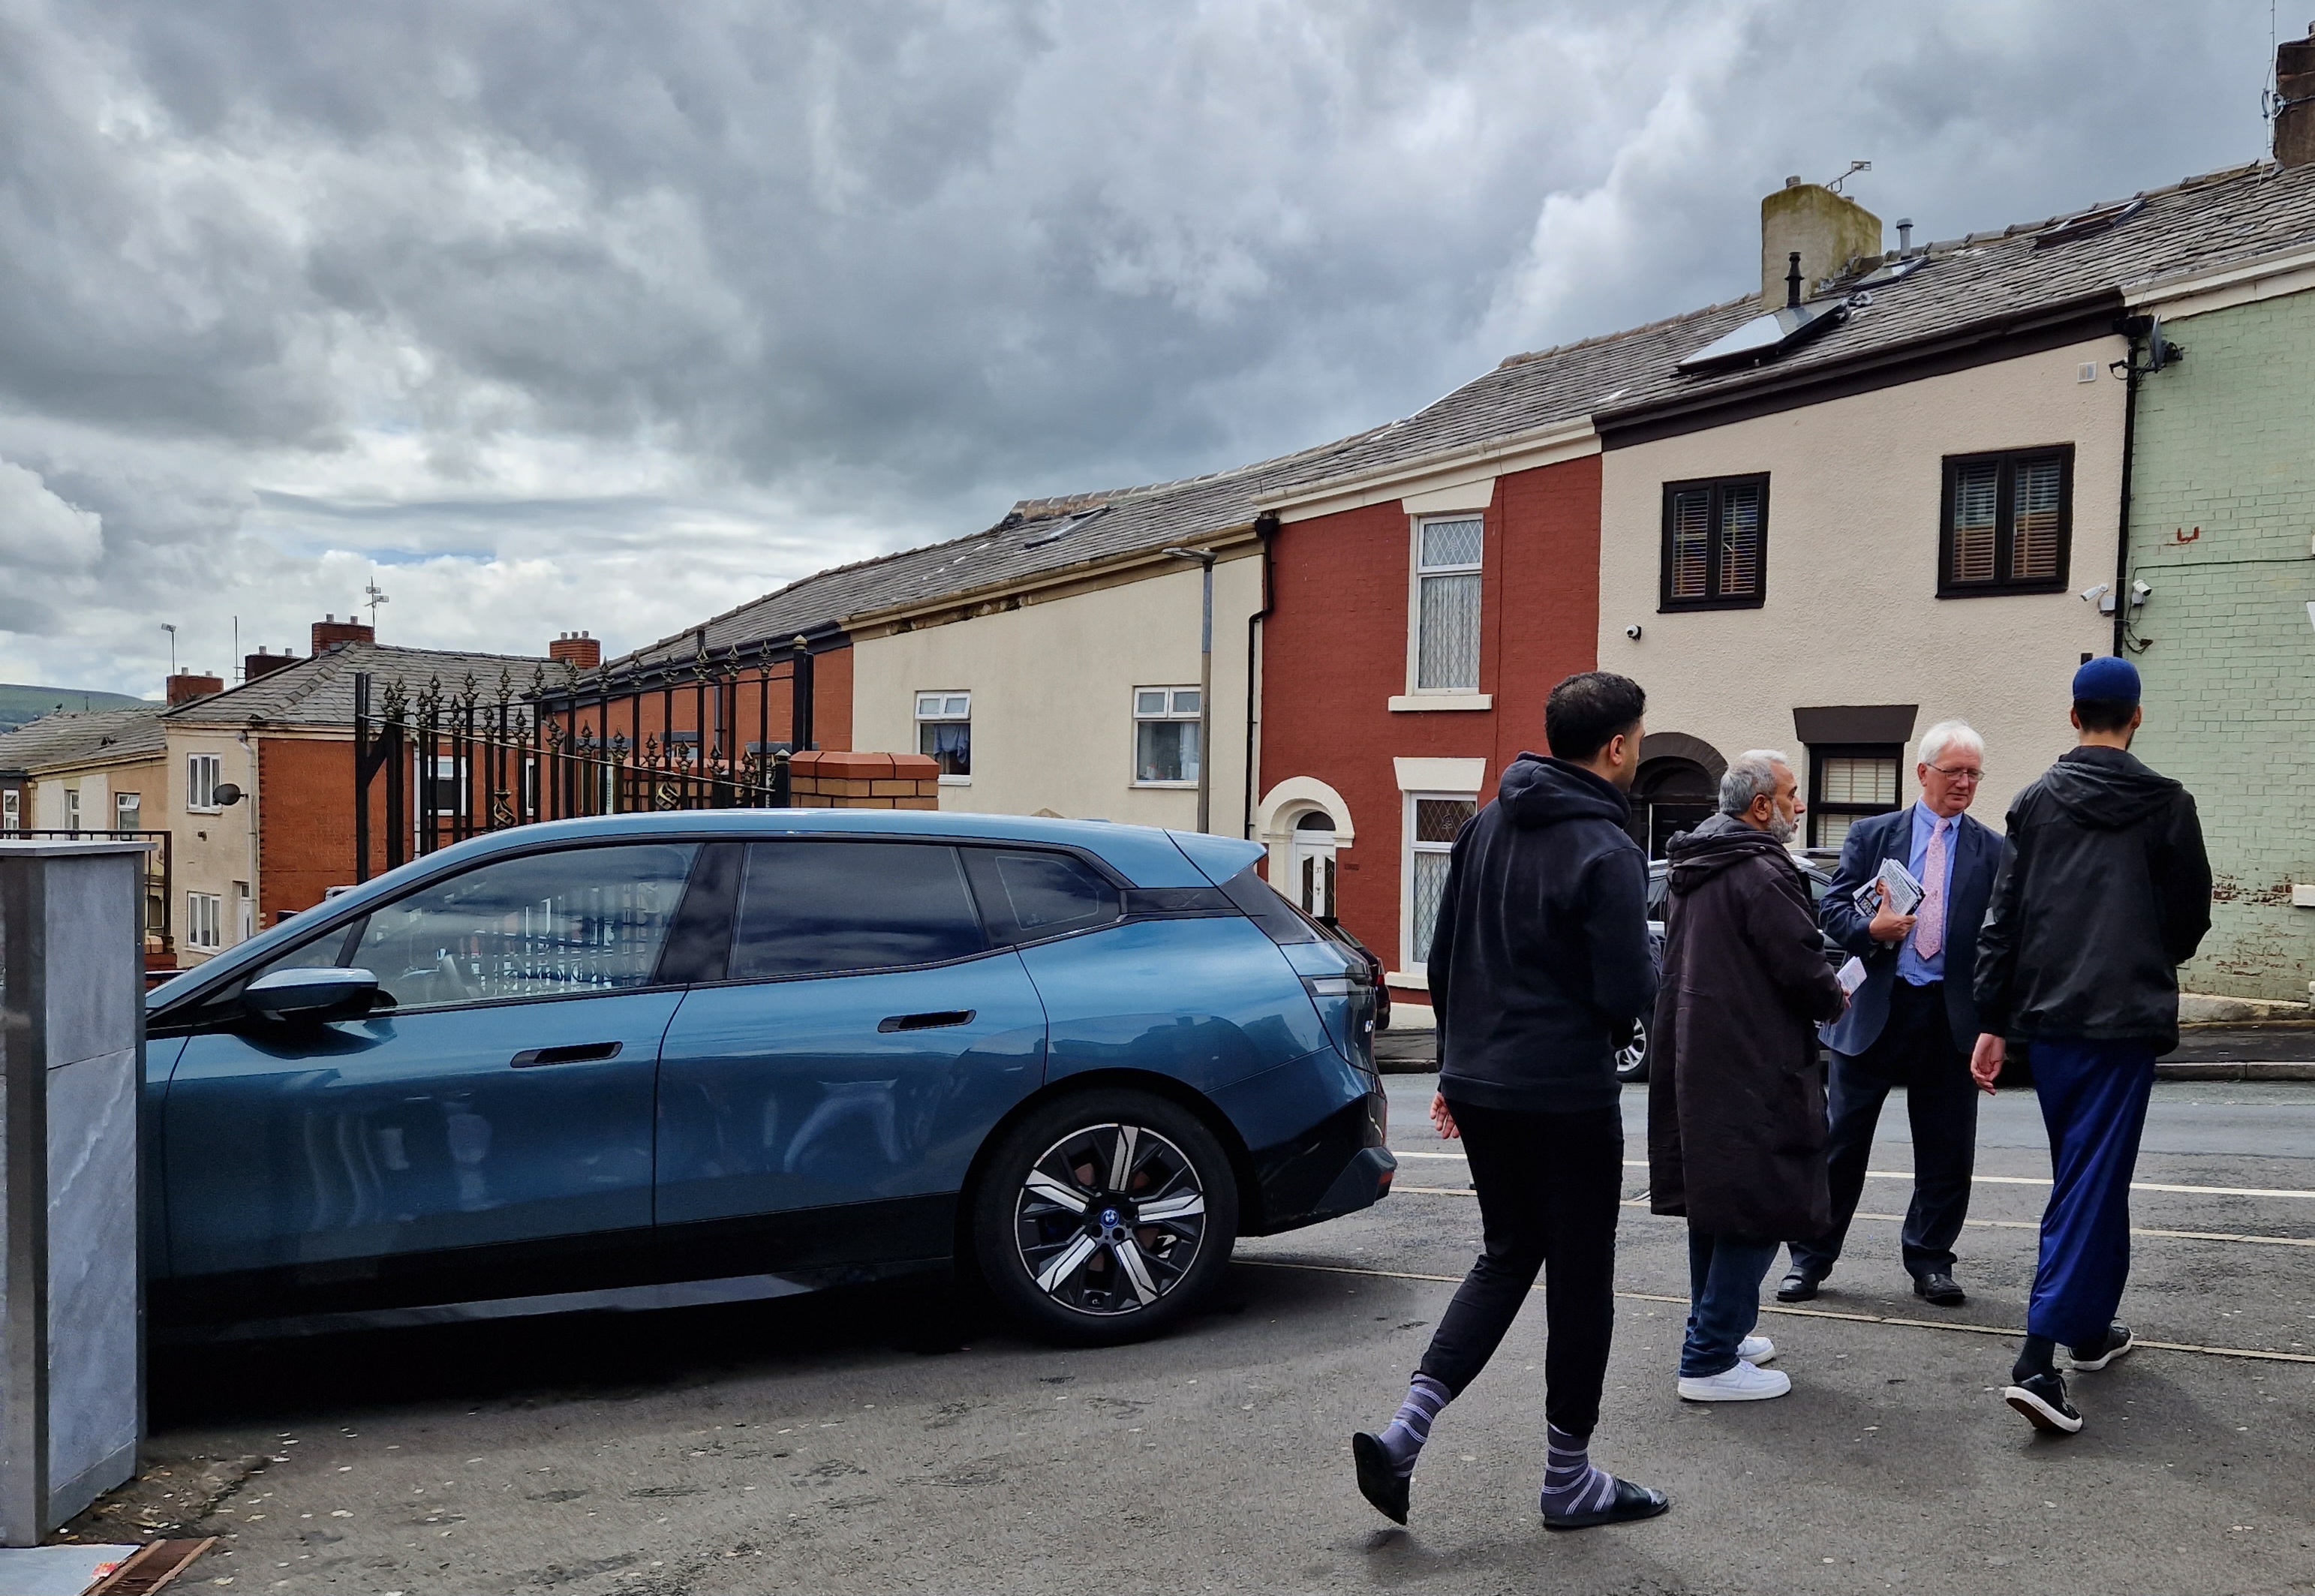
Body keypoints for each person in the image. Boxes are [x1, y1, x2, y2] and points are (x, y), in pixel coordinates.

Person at [1351, 672, 1667, 1532]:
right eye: (1638, 738)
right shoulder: (1606, 848)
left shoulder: (1487, 822)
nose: (1639, 750)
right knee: (1577, 1282)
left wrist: (1458, 1068)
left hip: (1485, 1083)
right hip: (1563, 1092)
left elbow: (1444, 955)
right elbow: (1622, 989)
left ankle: (1404, 1434)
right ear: (1615, 747)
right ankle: (1569, 1481)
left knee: (1505, 1255)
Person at [1974, 657, 2211, 1435]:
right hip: (2122, 1019)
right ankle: (2036, 1358)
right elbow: (2187, 921)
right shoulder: (2166, 805)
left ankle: (2085, 1330)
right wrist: (2142, 954)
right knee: (2089, 1180)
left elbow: (2002, 920)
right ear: (2135, 716)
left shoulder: (2033, 804)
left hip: (2048, 1022)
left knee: (2088, 1175)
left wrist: (1991, 1018)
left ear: (2073, 717)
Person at [1781, 720, 2001, 1308]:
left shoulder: (1993, 848)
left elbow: (2001, 937)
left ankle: (1930, 1260)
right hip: (1876, 1007)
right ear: (1922, 772)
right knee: (1841, 1144)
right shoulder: (1873, 834)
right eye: (1952, 771)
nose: (1963, 782)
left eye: (1973, 773)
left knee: (1946, 1150)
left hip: (1948, 1016)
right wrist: (1871, 930)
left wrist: (1995, 1020)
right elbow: (1831, 910)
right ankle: (1810, 1259)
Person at [1649, 750, 1847, 1402]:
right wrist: (1834, 993)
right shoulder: (1761, 871)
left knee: (1716, 1202)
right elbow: (1799, 963)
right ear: (1760, 805)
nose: (1797, 805)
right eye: (1791, 794)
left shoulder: (1696, 861)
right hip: (1752, 1060)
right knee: (1757, 1205)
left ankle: (1718, 1332)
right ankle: (1707, 1356)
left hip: (1699, 1054)